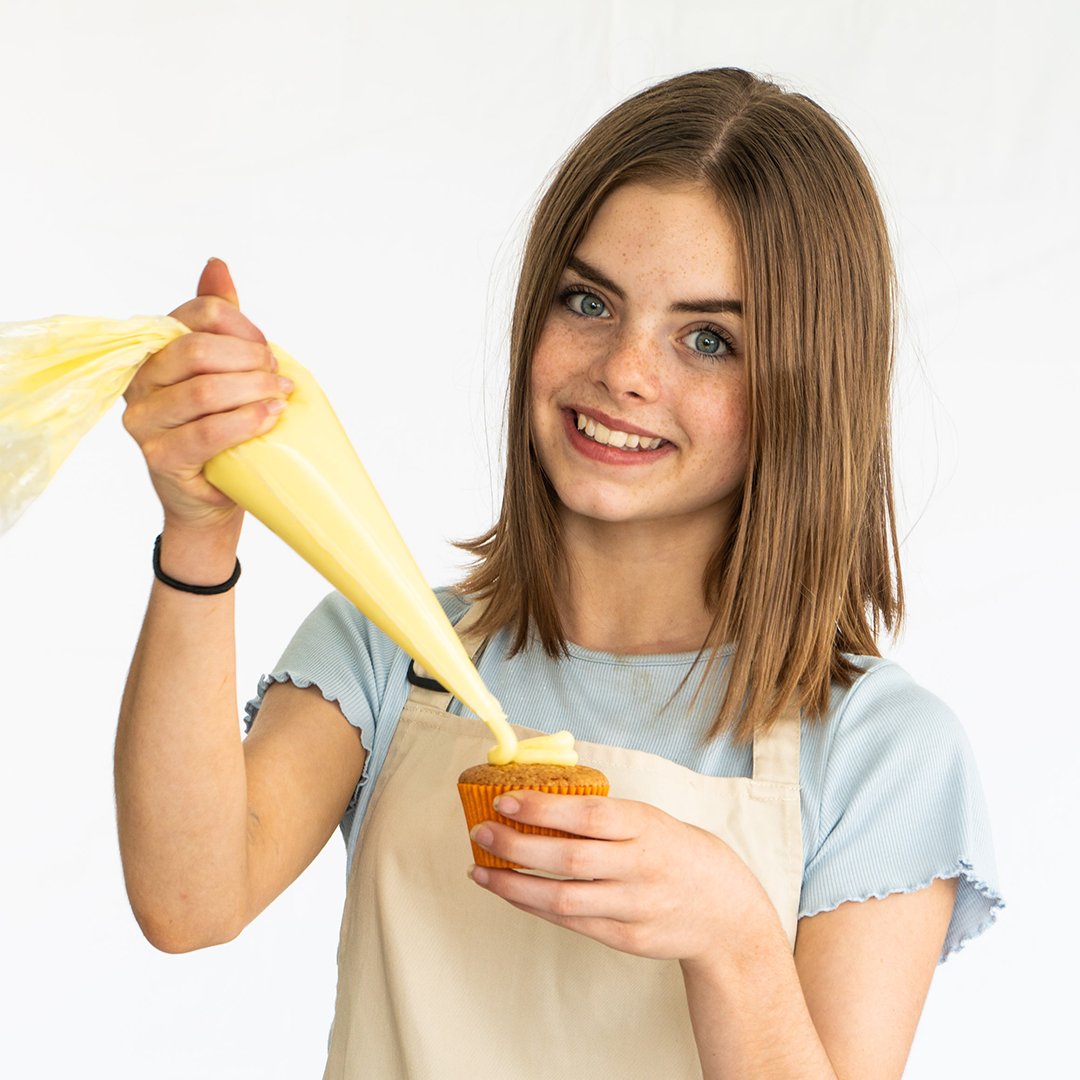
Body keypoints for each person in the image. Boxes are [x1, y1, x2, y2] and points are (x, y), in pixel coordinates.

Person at [116, 68, 1002, 1079]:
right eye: (589, 300)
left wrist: (734, 937)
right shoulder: (387, 646)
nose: (626, 368)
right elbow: (188, 902)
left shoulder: (883, 751)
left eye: (708, 338)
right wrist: (198, 533)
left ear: (810, 385)